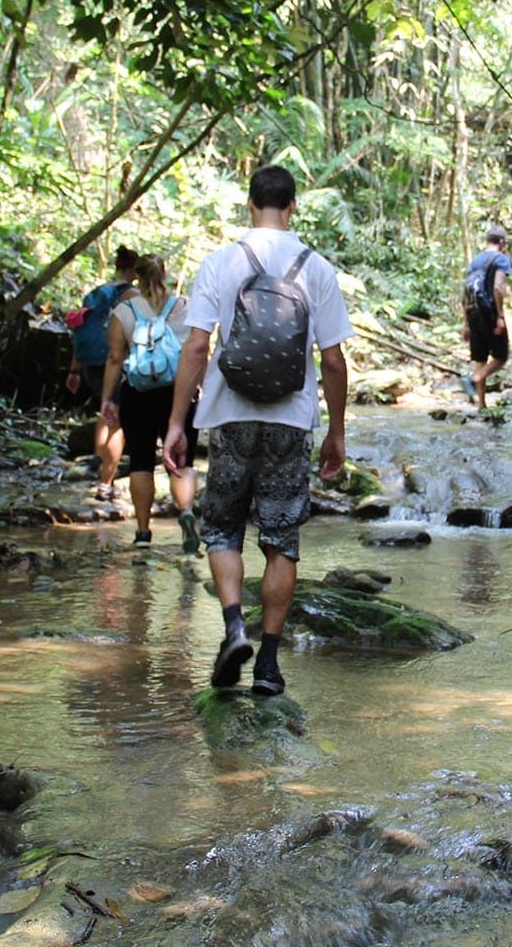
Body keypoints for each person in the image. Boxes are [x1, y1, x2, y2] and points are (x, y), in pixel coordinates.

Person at [163, 164, 352, 697]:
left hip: (229, 415)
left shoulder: (221, 261)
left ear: (250, 204)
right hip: (290, 421)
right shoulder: (317, 268)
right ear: (292, 207)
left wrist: (177, 423)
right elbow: (334, 361)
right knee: (280, 540)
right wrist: (336, 432)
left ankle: (232, 630)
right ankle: (268, 665)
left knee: (222, 528)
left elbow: (197, 347)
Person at [99, 254, 201, 553]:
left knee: (141, 463)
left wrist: (108, 398)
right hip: (179, 395)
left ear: (137, 277)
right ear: (164, 274)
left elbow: (116, 357)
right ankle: (185, 512)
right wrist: (201, 388)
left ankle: (143, 534)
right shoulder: (185, 308)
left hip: (138, 394)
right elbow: (198, 350)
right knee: (183, 461)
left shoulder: (124, 310)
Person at [67, 245, 138, 502]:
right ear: (133, 269)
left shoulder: (97, 293)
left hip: (89, 364)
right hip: (115, 362)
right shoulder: (131, 295)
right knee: (117, 420)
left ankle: (98, 459)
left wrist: (74, 369)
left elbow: (79, 328)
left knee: (104, 408)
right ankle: (105, 484)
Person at [461, 225, 512, 408]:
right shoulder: (501, 259)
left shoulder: (475, 261)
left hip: (473, 313)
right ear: (502, 242)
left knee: (480, 358)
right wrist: (500, 316)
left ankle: (481, 405)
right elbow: (498, 287)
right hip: (489, 312)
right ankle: (475, 379)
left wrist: (466, 324)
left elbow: (466, 292)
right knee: (501, 357)